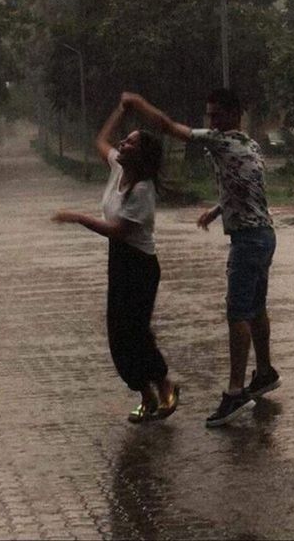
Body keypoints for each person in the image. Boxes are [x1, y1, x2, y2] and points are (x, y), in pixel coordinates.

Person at [119, 88, 280, 427]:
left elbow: (168, 126)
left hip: (249, 241)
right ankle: (264, 371)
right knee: (256, 308)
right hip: (265, 234)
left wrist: (138, 104)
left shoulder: (220, 141)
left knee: (237, 313)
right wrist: (218, 210)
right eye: (209, 115)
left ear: (234, 115)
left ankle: (236, 392)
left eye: (217, 115)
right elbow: (246, 187)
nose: (212, 122)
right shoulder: (249, 145)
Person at [52, 96, 179, 424]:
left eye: (131, 142)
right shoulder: (119, 167)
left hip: (139, 264)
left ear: (142, 155)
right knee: (117, 334)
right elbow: (100, 140)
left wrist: (78, 217)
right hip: (119, 262)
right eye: (125, 140)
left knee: (135, 332)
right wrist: (120, 110)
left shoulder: (142, 190)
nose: (122, 144)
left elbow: (120, 231)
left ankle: (163, 384)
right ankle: (145, 394)